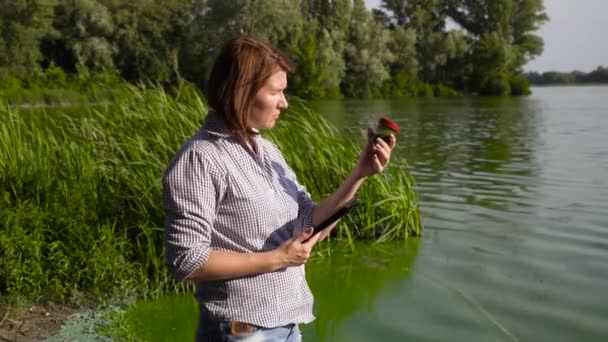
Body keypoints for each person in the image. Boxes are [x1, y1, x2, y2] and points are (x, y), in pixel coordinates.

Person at [163, 35, 396, 342]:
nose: (285, 102)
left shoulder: (268, 151)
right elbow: (186, 260)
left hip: (287, 326)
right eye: (276, 92)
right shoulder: (200, 159)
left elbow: (309, 224)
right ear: (241, 92)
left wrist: (360, 173)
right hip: (241, 332)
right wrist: (277, 258)